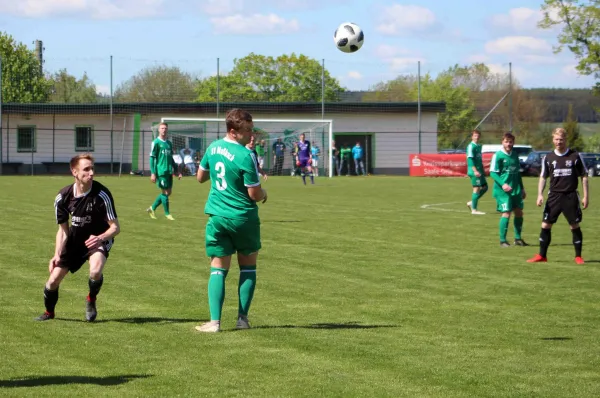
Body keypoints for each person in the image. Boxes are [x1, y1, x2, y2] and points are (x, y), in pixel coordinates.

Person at [195, 108, 268, 333]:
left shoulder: (213, 147)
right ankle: (242, 320)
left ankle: (214, 322)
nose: (251, 134)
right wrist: (265, 194)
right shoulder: (245, 156)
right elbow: (254, 194)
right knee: (248, 267)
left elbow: (200, 177)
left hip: (217, 217)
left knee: (218, 268)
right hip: (242, 218)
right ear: (233, 131)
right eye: (247, 130)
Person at [35, 154, 120, 322]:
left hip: (98, 239)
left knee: (95, 270)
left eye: (92, 168)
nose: (91, 173)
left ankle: (91, 299)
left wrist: (100, 237)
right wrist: (57, 254)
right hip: (75, 240)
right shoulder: (63, 197)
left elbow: (115, 228)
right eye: (86, 169)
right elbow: (63, 231)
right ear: (74, 172)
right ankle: (49, 313)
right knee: (52, 282)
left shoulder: (102, 194)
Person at [527, 128, 589, 264]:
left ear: (565, 140)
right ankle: (542, 255)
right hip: (554, 196)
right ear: (553, 140)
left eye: (561, 139)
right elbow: (543, 177)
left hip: (570, 195)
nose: (558, 142)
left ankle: (578, 256)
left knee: (574, 225)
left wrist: (586, 196)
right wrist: (539, 195)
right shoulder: (548, 158)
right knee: (545, 224)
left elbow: (584, 176)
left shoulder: (575, 156)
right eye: (556, 139)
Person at [490, 132, 528, 247]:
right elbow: (493, 173)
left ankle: (518, 239)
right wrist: (503, 184)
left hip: (515, 189)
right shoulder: (498, 155)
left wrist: (522, 188)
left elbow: (517, 173)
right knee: (506, 213)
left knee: (519, 212)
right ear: (502, 142)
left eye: (510, 141)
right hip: (503, 191)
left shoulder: (515, 155)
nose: (508, 144)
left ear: (513, 142)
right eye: (506, 141)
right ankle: (503, 241)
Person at [147, 122, 182, 221]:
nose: (164, 130)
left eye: (165, 128)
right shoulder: (156, 142)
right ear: (158, 130)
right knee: (165, 192)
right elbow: (152, 158)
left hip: (168, 171)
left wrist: (177, 171)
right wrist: (153, 173)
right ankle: (167, 214)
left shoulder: (169, 143)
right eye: (162, 128)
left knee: (168, 192)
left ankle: (152, 208)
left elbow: (171, 158)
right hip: (160, 172)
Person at [466, 129, 488, 215]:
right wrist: (475, 171)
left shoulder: (478, 146)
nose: (477, 137)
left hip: (480, 171)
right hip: (474, 172)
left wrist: (482, 171)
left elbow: (479, 160)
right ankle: (474, 210)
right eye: (475, 135)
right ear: (472, 137)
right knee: (476, 189)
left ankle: (472, 202)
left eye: (478, 135)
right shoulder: (471, 146)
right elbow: (470, 159)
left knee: (485, 187)